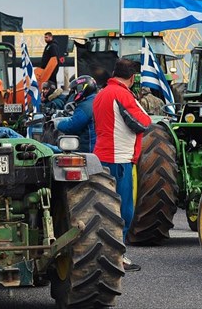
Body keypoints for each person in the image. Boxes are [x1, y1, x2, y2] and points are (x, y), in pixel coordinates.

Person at [92, 59, 151, 271]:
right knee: (123, 210)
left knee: (101, 208)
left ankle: (100, 252)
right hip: (120, 160)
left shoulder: (101, 94)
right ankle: (118, 255)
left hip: (101, 156)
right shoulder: (123, 94)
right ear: (132, 77)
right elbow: (142, 122)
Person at [55, 75, 97, 153]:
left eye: (75, 91)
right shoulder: (95, 99)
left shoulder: (86, 105)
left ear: (82, 88)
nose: (74, 94)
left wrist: (58, 123)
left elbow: (72, 126)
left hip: (88, 150)